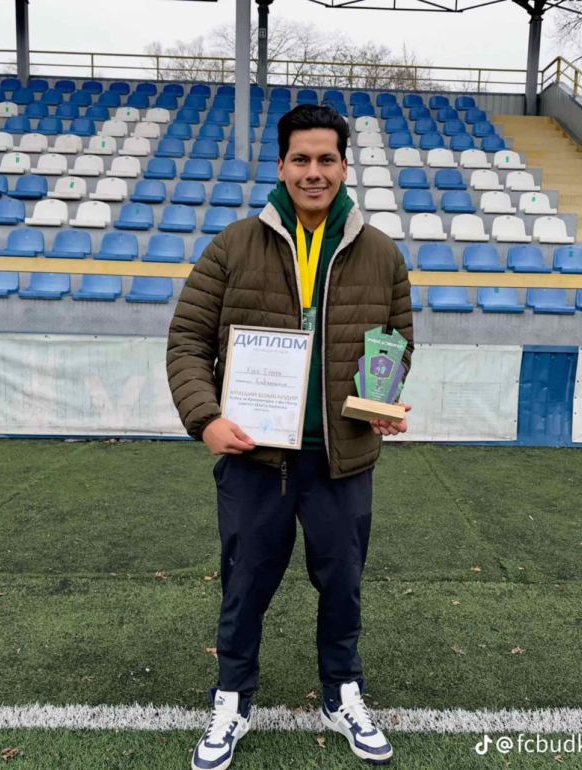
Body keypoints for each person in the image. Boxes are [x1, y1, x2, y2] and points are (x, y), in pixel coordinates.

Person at [166, 103, 413, 770]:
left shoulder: (381, 252)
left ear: (344, 166)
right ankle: (232, 697)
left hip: (341, 458)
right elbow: (187, 339)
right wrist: (206, 418)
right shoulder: (234, 244)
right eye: (300, 159)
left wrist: (382, 400)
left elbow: (398, 342)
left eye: (326, 159)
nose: (313, 172)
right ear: (280, 166)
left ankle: (342, 693)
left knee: (343, 586)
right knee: (244, 585)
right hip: (255, 457)